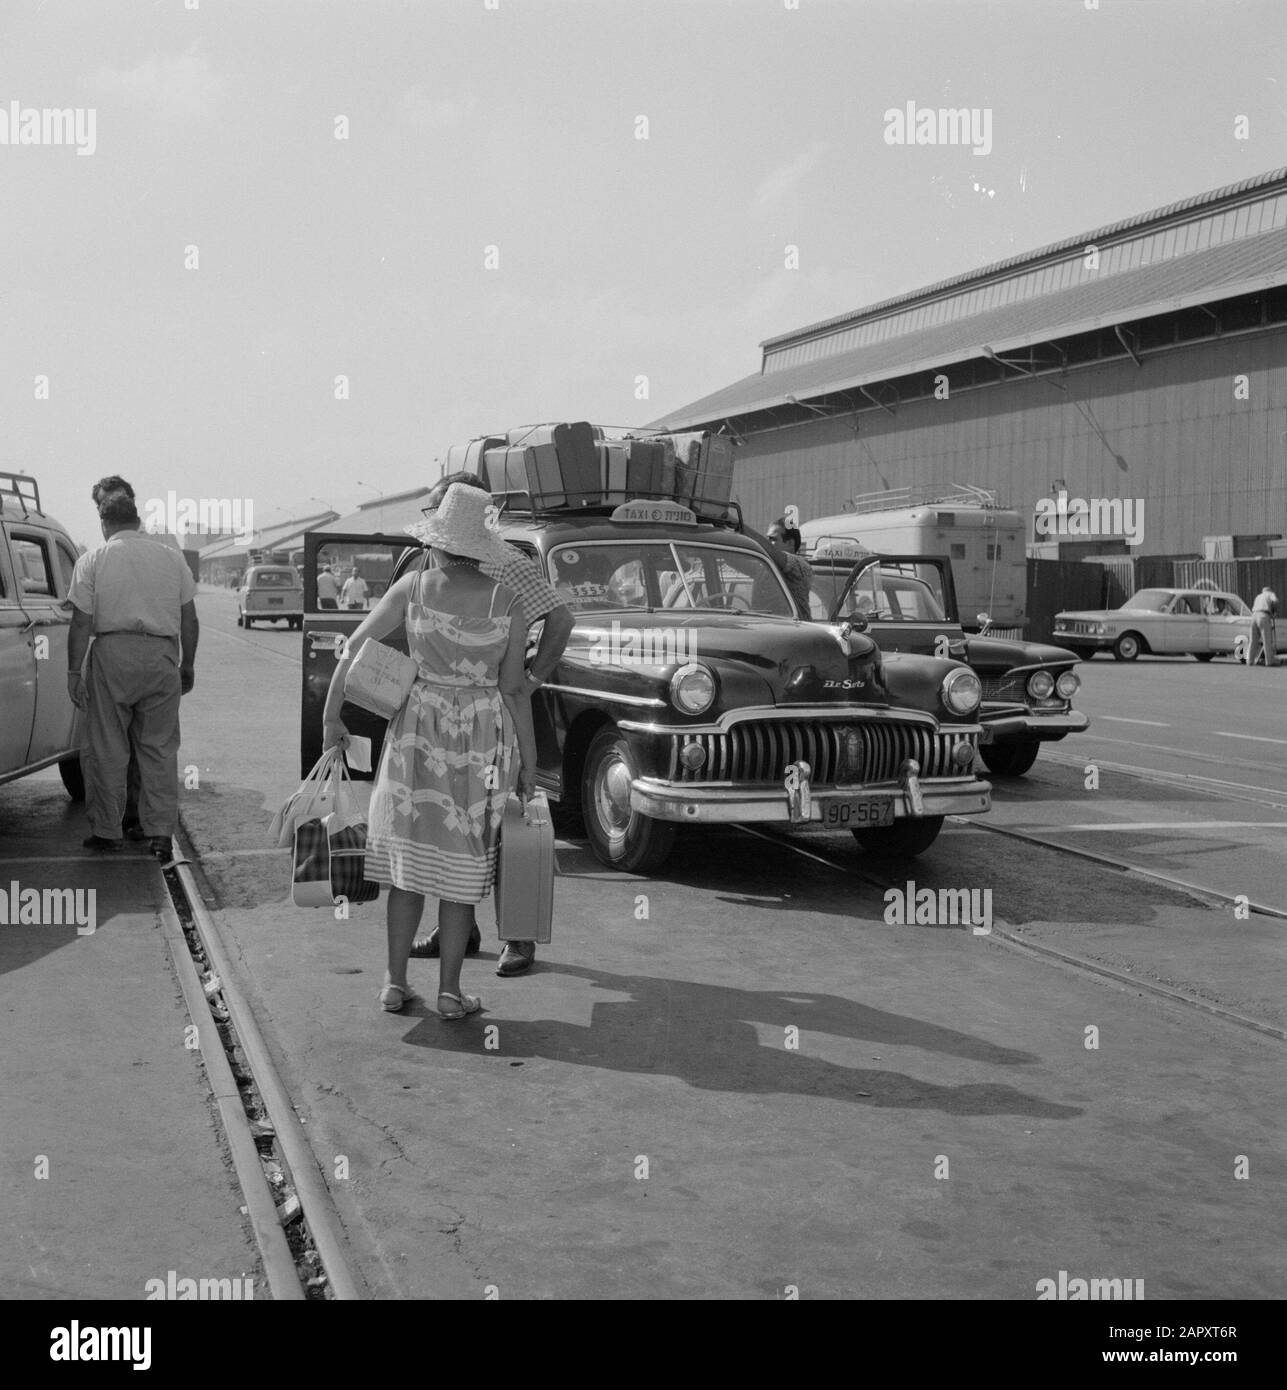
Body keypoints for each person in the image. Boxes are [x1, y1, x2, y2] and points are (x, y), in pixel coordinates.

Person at [320, 484, 539, 1018]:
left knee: (407, 863)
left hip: (417, 732)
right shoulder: (507, 600)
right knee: (464, 866)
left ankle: (394, 983)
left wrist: (332, 717)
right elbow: (513, 688)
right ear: (483, 545)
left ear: (438, 541)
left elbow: (352, 650)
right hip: (482, 740)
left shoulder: (411, 588)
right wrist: (529, 761)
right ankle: (448, 993)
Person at [400, 471, 573, 976]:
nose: (435, 522)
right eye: (434, 511)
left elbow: (561, 621)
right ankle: (460, 927)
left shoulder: (509, 566)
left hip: (496, 716)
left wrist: (532, 678)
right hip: (439, 716)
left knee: (499, 822)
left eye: (441, 511)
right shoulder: (427, 560)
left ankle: (518, 938)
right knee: (450, 822)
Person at [66, 489, 199, 856]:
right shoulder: (171, 559)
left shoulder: (93, 560)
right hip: (161, 655)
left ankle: (108, 831)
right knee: (158, 748)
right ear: (137, 522)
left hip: (112, 654)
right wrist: (187, 663)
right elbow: (189, 618)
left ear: (105, 524)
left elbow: (81, 622)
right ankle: (159, 833)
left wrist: (74, 672)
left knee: (107, 747)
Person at [1247, 585, 1278, 666]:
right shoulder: (1270, 594)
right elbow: (1275, 601)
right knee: (1267, 640)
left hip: (1254, 616)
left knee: (1253, 640)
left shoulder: (1258, 596)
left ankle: (1250, 661)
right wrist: (1274, 611)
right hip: (1264, 616)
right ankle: (1269, 662)